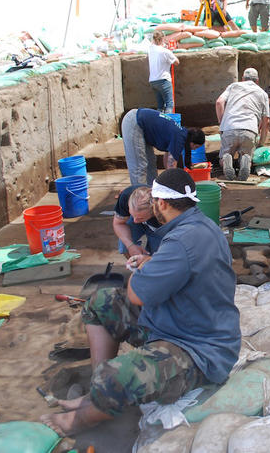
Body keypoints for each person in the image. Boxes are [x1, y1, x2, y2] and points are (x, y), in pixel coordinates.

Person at [41, 168, 241, 436]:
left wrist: (139, 269)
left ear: (162, 204)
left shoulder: (182, 241)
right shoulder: (199, 225)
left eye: (154, 201)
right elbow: (180, 267)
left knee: (116, 376)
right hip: (178, 322)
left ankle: (85, 417)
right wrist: (151, 262)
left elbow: (136, 294)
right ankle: (97, 396)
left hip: (199, 351)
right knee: (100, 303)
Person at [121, 108, 205, 186]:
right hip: (135, 122)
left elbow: (167, 160)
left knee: (151, 163)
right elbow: (171, 165)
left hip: (142, 126)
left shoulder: (181, 134)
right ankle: (139, 194)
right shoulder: (180, 138)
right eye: (196, 146)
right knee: (139, 166)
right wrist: (174, 186)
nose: (194, 149)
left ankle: (153, 190)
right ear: (192, 142)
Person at [216, 67, 270, 181]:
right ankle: (245, 160)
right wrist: (261, 142)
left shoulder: (233, 86)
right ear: (257, 81)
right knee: (247, 154)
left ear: (242, 78)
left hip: (229, 127)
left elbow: (219, 102)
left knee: (224, 156)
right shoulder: (263, 93)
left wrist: (222, 122)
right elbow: (266, 120)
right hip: (250, 129)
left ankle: (226, 159)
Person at [112, 185, 161, 259]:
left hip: (159, 226)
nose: (135, 221)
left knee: (157, 255)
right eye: (132, 214)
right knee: (124, 246)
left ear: (154, 211)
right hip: (145, 215)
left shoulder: (164, 213)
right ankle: (135, 265)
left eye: (140, 218)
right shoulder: (126, 196)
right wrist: (130, 246)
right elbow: (118, 224)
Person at [147, 31, 179, 113]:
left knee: (160, 106)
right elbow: (176, 62)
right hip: (163, 80)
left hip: (153, 81)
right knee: (169, 104)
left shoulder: (150, 50)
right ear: (162, 39)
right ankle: (168, 120)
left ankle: (158, 120)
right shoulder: (165, 51)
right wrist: (170, 51)